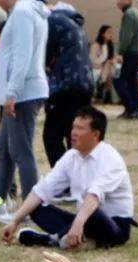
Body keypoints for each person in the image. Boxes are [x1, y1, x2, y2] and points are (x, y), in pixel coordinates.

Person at [1, 106, 135, 249]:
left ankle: (52, 239)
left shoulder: (110, 158)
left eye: (80, 128)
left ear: (96, 134)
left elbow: (94, 196)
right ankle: (73, 238)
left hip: (113, 224)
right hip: (83, 218)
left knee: (93, 214)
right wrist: (15, 221)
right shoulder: (71, 157)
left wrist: (78, 224)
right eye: (73, 127)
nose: (73, 133)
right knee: (35, 209)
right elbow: (41, 190)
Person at [0, 0, 49, 207]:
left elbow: (22, 55)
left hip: (23, 93)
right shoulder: (29, 11)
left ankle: (30, 208)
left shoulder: (23, 12)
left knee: (20, 150)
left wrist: (12, 93)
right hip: (23, 90)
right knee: (4, 148)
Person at [43, 2, 94, 167]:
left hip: (66, 85)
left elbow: (44, 51)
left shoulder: (53, 20)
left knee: (51, 136)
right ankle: (79, 174)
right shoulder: (76, 24)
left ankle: (63, 176)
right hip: (85, 83)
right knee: (74, 135)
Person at [114, 0, 138, 119]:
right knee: (132, 82)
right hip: (137, 53)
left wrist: (120, 52)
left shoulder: (128, 14)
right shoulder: (136, 12)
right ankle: (134, 109)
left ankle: (131, 108)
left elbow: (126, 35)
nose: (117, 2)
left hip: (129, 53)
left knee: (118, 81)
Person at [91, 25, 116, 104]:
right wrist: (104, 61)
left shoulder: (110, 46)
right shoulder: (95, 45)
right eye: (108, 32)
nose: (111, 34)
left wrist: (114, 61)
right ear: (102, 34)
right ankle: (107, 95)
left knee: (109, 68)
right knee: (108, 67)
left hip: (106, 70)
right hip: (96, 68)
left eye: (111, 33)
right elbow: (93, 61)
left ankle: (101, 88)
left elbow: (112, 59)